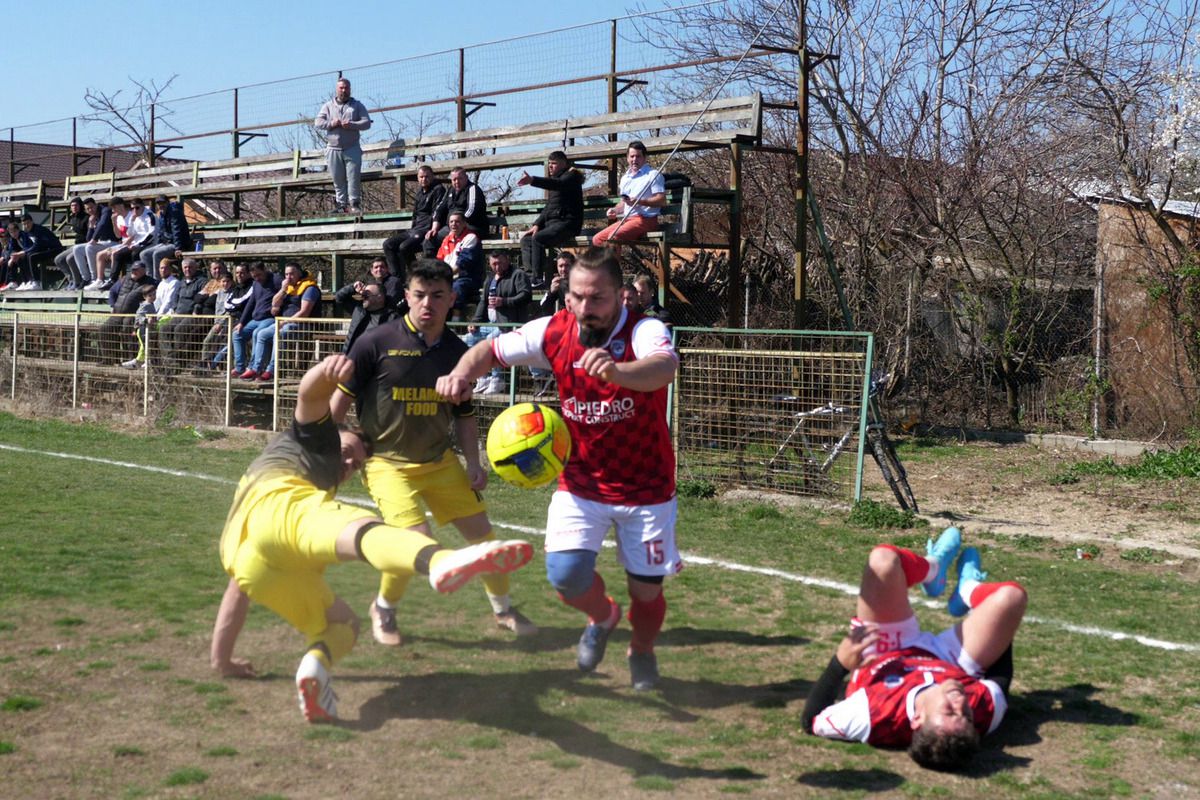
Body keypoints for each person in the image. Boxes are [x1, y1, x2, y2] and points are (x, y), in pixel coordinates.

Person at [209, 353, 534, 723]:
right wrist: (324, 373)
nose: (349, 465)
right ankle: (441, 561)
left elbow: (237, 591)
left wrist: (222, 661)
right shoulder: (315, 437)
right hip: (275, 507)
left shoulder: (318, 484)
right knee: (363, 528)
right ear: (331, 434)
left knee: (343, 626)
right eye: (348, 453)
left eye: (357, 465)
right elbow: (309, 396)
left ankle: (313, 670)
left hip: (249, 557)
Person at [436, 246, 680, 690]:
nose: (588, 308)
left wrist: (619, 372)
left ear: (621, 296)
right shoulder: (552, 330)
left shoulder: (644, 330)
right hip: (581, 482)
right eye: (579, 298)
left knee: (647, 590)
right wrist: (460, 374)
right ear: (567, 297)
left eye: (599, 298)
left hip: (647, 486)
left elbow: (664, 368)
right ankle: (603, 616)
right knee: (565, 577)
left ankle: (641, 653)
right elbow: (489, 350)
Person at [330, 258, 538, 647]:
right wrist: (326, 445)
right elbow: (339, 403)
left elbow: (464, 414)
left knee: (486, 541)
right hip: (386, 465)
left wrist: (474, 463)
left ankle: (504, 609)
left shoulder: (459, 353)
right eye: (420, 295)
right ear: (406, 296)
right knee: (414, 544)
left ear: (452, 298)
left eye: (438, 296)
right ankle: (384, 609)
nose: (428, 304)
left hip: (441, 463)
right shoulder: (375, 342)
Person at [801, 528, 1028, 771]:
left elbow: (811, 720)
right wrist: (998, 631)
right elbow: (999, 682)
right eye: (967, 716)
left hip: (885, 650)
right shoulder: (982, 713)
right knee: (1012, 597)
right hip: (951, 661)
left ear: (917, 719)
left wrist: (840, 664)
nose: (960, 704)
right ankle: (967, 590)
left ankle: (933, 569)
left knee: (883, 561)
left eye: (950, 712)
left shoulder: (874, 715)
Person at [466, 251, 532, 395]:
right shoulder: (490, 278)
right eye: (494, 263)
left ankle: (497, 379)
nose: (497, 266)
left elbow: (526, 295)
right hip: (490, 324)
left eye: (500, 262)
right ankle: (482, 378)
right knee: (469, 339)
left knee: (492, 340)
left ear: (507, 260)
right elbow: (483, 302)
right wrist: (475, 322)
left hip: (509, 325)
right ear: (489, 264)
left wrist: (504, 301)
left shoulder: (517, 274)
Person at [518, 151, 584, 286]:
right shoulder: (555, 182)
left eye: (554, 163)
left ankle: (537, 279)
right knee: (526, 239)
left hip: (568, 224)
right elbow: (549, 207)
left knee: (538, 238)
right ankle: (531, 276)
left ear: (564, 163)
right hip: (553, 225)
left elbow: (559, 184)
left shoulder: (571, 177)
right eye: (549, 163)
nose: (550, 166)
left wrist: (533, 180)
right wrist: (537, 224)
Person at [251, 262, 322, 382]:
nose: (288, 277)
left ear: (299, 272)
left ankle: (272, 370)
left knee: (281, 333)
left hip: (303, 324)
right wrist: (283, 290)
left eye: (292, 274)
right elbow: (274, 304)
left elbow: (304, 313)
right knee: (262, 334)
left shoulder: (310, 288)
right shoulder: (288, 287)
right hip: (284, 322)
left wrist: (284, 322)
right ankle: (257, 369)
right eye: (286, 274)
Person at [314, 77, 372, 214]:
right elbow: (318, 122)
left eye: (346, 88)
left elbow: (367, 123)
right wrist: (331, 123)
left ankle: (354, 204)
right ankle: (341, 205)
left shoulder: (357, 105)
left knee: (353, 177)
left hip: (352, 148)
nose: (344, 90)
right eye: (341, 88)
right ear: (336, 89)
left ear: (350, 89)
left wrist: (351, 125)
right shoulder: (328, 106)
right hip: (333, 149)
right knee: (337, 179)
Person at [592, 141, 666, 248]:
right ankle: (606, 264)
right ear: (627, 158)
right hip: (627, 220)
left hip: (645, 220)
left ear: (645, 158)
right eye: (632, 156)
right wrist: (615, 210)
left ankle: (613, 265)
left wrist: (639, 202)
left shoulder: (653, 175)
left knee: (614, 237)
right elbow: (624, 202)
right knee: (598, 239)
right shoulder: (625, 178)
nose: (634, 160)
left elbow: (662, 200)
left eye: (638, 156)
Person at [382, 164, 445, 277]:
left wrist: (432, 228)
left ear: (432, 177)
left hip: (426, 229)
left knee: (404, 247)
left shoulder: (438, 190)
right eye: (421, 177)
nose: (423, 179)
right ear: (417, 178)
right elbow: (415, 214)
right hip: (415, 229)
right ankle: (396, 278)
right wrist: (413, 227)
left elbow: (438, 211)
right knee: (388, 244)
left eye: (426, 176)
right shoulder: (420, 193)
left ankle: (416, 274)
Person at [98, 261, 155, 363]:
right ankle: (109, 359)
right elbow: (112, 291)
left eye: (137, 270)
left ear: (143, 271)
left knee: (127, 329)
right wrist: (112, 305)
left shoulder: (149, 282)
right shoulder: (124, 279)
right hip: (117, 313)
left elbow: (151, 298)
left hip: (133, 315)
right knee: (104, 329)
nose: (134, 272)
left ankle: (129, 359)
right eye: (133, 269)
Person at [233, 262, 282, 379]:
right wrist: (242, 322)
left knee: (257, 333)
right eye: (254, 276)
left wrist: (277, 308)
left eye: (259, 275)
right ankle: (240, 367)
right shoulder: (255, 283)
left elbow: (285, 295)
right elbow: (251, 303)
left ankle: (254, 367)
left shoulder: (276, 280)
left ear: (265, 269)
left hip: (269, 318)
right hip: (255, 318)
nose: (257, 278)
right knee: (236, 334)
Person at [94, 197, 155, 290]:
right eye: (133, 208)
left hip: (144, 243)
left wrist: (133, 244)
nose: (134, 210)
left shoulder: (147, 215)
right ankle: (107, 280)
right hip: (133, 243)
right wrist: (120, 222)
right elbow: (125, 234)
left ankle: (135, 280)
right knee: (108, 254)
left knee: (124, 253)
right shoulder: (131, 217)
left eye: (137, 208)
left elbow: (150, 234)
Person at [160, 258, 210, 368]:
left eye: (190, 267)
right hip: (179, 313)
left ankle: (181, 360)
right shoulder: (182, 282)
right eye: (185, 267)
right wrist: (173, 309)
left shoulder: (202, 281)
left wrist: (196, 310)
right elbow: (176, 297)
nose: (187, 269)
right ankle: (170, 359)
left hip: (192, 313)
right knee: (164, 328)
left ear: (195, 267)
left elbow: (202, 297)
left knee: (180, 329)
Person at [425, 167, 487, 256]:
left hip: (472, 227)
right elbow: (439, 209)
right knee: (429, 240)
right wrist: (434, 228)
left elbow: (471, 211)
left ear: (466, 177)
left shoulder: (472, 189)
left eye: (459, 179)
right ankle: (435, 268)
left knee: (457, 244)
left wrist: (458, 225)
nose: (457, 182)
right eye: (454, 179)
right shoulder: (450, 190)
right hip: (451, 227)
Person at [435, 211, 483, 320]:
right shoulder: (447, 239)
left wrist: (445, 276)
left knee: (456, 288)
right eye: (451, 221)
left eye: (457, 221)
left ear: (464, 223)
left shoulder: (471, 238)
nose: (453, 224)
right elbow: (439, 260)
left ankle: (455, 321)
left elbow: (463, 263)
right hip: (449, 276)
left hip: (467, 277)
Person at [140, 195, 192, 279]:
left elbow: (176, 231)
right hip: (166, 243)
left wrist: (178, 248)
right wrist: (158, 245)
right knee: (144, 254)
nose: (161, 205)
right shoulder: (161, 214)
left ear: (167, 203)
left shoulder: (175, 212)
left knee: (157, 254)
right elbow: (161, 232)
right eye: (159, 203)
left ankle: (157, 281)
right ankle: (149, 280)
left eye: (163, 203)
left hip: (178, 244)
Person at [341, 280, 399, 353]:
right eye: (362, 295)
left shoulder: (392, 318)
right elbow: (340, 297)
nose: (363, 297)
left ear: (379, 297)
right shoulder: (358, 310)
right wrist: (353, 287)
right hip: (349, 357)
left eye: (366, 295)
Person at [74, 197, 120, 287]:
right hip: (102, 243)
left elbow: (102, 225)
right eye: (87, 209)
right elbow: (88, 239)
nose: (90, 210)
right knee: (77, 249)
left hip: (114, 242)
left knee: (90, 247)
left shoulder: (105, 211)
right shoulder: (92, 217)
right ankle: (86, 278)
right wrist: (91, 226)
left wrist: (94, 239)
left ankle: (95, 279)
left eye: (91, 207)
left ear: (96, 205)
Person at [335, 256, 403, 312]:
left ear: (387, 269)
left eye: (382, 267)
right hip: (367, 312)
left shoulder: (394, 282)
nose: (379, 269)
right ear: (372, 271)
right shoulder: (368, 283)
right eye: (376, 267)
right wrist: (353, 287)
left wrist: (368, 294)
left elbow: (388, 304)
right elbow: (339, 297)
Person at [14, 215, 65, 291]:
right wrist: (22, 253)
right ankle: (27, 281)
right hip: (44, 249)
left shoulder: (38, 230)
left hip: (54, 250)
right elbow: (32, 246)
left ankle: (37, 282)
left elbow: (38, 245)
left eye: (28, 223)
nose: (26, 226)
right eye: (24, 224)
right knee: (22, 257)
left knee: (32, 257)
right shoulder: (27, 232)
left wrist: (24, 252)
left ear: (32, 222)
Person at [54, 197, 90, 290]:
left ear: (80, 206)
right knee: (58, 259)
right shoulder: (72, 218)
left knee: (70, 259)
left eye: (76, 205)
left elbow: (86, 232)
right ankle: (72, 280)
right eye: (72, 206)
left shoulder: (86, 217)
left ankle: (77, 282)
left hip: (85, 246)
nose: (74, 207)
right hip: (75, 245)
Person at [121, 284, 158, 369]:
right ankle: (147, 361)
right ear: (145, 297)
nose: (153, 297)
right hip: (142, 329)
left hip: (148, 329)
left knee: (144, 345)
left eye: (154, 294)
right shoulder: (145, 305)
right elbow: (139, 316)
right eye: (150, 295)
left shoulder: (152, 304)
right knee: (145, 345)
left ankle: (140, 361)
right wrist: (145, 320)